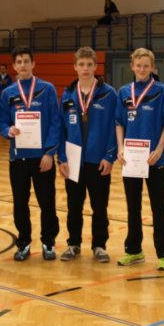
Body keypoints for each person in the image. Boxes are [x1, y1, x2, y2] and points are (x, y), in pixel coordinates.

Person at [115, 48, 164, 270]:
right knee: (133, 207)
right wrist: (120, 147)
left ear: (152, 67)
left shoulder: (162, 91)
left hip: (154, 159)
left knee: (159, 208)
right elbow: (119, 122)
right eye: (138, 65)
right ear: (132, 66)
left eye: (146, 66)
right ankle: (134, 250)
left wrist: (159, 149)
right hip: (131, 159)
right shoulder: (124, 92)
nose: (142, 69)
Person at [0, 46, 62, 261]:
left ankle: (48, 242)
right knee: (20, 203)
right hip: (18, 158)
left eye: (26, 61)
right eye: (19, 62)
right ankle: (23, 242)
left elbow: (55, 122)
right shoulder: (8, 93)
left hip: (42, 158)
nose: (23, 65)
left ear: (33, 63)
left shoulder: (47, 89)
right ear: (14, 66)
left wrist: (49, 153)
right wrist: (6, 130)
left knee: (47, 202)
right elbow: (1, 121)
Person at [58, 47, 118, 262]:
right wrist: (61, 158)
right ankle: (73, 244)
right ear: (75, 67)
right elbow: (61, 129)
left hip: (99, 160)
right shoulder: (68, 94)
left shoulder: (109, 94)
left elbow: (115, 126)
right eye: (81, 64)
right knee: (74, 205)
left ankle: (99, 246)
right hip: (73, 161)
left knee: (99, 206)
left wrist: (110, 156)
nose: (85, 68)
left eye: (89, 64)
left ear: (95, 66)